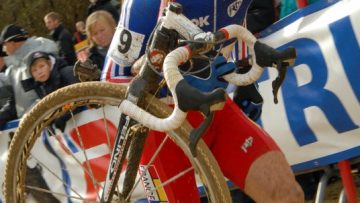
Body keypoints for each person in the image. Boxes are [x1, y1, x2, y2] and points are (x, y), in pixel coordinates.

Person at [103, 0, 304, 202]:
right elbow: (112, 80)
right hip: (160, 131)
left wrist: (243, 72)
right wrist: (182, 76)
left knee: (287, 195)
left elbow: (234, 23)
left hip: (214, 112)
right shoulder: (145, 5)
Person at [0, 23, 58, 128]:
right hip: (32, 128)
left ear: (12, 43)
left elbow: (50, 93)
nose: (3, 48)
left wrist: (29, 118)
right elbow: (16, 102)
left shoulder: (39, 61)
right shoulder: (16, 67)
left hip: (51, 126)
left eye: (4, 44)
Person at [23, 51, 80, 132]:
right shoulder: (42, 87)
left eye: (42, 66)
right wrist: (48, 121)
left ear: (49, 64)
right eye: (34, 70)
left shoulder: (67, 73)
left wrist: (63, 117)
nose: (39, 72)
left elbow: (79, 97)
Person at [85, 10, 116, 76]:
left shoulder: (126, 45)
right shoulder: (91, 61)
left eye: (102, 30)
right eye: (95, 33)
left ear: (112, 27)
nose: (100, 36)